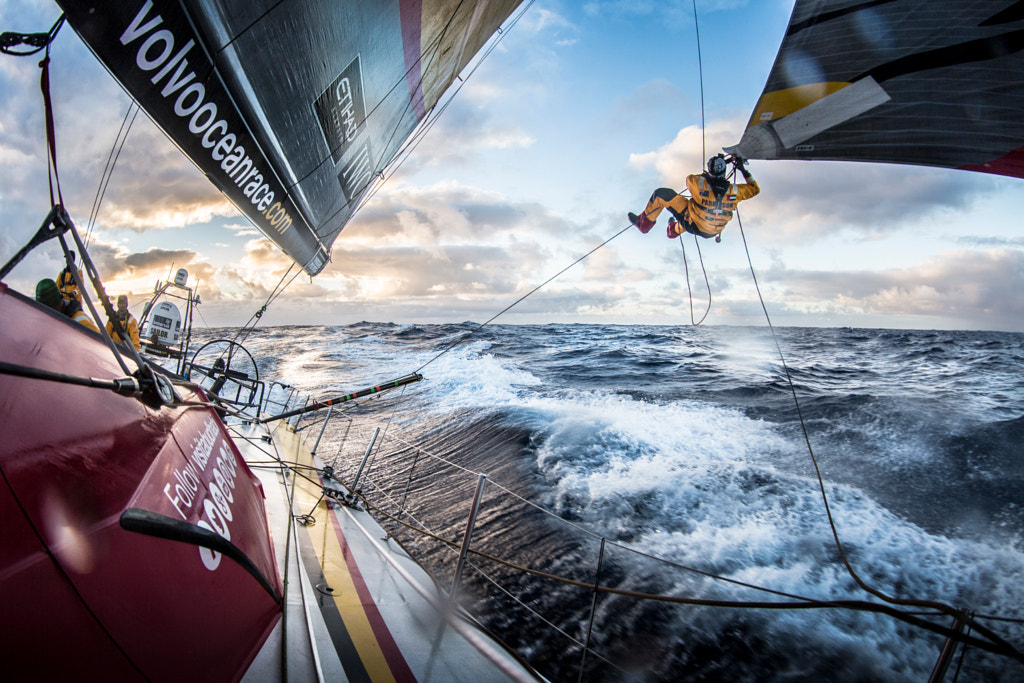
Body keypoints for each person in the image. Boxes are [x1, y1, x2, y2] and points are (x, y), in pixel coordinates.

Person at [629, 154, 760, 242]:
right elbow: (755, 188)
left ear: (710, 171)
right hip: (713, 230)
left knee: (661, 194)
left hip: (695, 223)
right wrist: (743, 169)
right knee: (693, 214)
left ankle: (643, 225)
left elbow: (689, 179)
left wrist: (707, 175)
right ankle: (673, 230)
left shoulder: (700, 184)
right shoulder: (735, 191)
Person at [35, 278, 99, 332]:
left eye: (46, 311)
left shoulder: (80, 321)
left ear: (55, 307)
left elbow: (100, 345)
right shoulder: (52, 322)